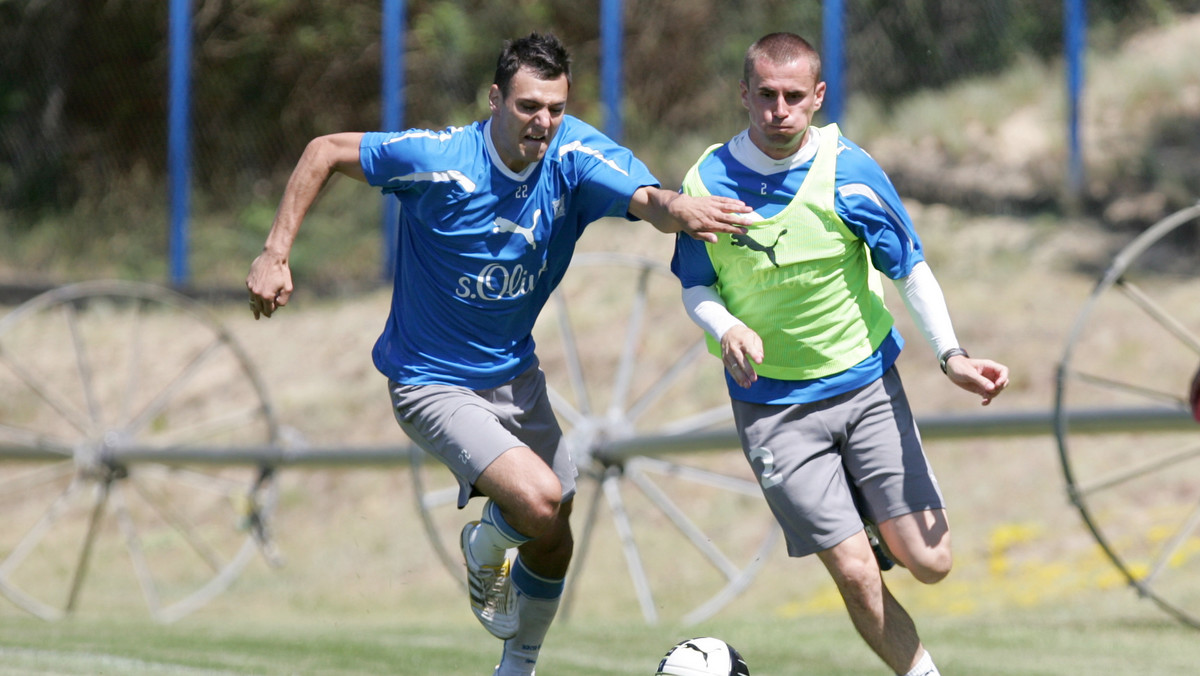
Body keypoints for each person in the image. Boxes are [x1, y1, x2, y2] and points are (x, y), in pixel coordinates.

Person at [246, 32, 749, 676]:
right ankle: (481, 542)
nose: (542, 122)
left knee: (555, 531)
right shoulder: (441, 160)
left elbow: (648, 200)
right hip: (429, 382)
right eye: (528, 105)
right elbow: (325, 151)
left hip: (516, 375)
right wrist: (276, 250)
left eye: (555, 108)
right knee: (536, 502)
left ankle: (517, 669)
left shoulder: (575, 156)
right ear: (495, 100)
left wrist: (680, 207)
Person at [671, 33, 1010, 676]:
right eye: (765, 95)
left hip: (865, 387)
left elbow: (910, 269)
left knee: (932, 563)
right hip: (773, 408)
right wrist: (724, 326)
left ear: (817, 97)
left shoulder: (849, 170)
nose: (779, 110)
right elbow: (696, 283)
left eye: (794, 96)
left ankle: (875, 516)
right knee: (855, 574)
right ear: (743, 93)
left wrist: (952, 355)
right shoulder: (707, 178)